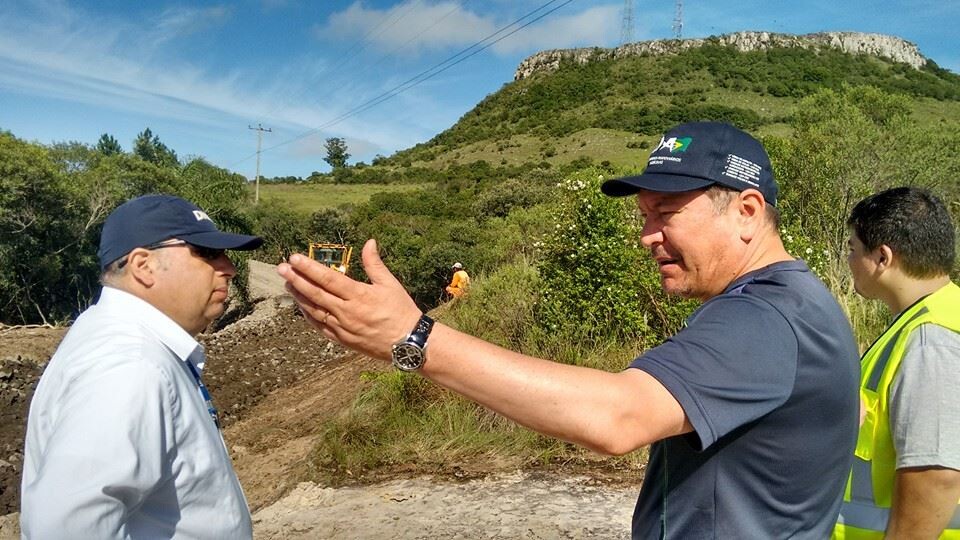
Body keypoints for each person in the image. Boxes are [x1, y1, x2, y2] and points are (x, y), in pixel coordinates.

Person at [278, 121, 860, 538]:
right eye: (644, 216)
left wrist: (415, 338)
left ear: (747, 212)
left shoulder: (767, 315)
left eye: (665, 212)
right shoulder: (796, 304)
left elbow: (616, 417)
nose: (647, 235)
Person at [21, 194, 262, 539]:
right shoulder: (129, 364)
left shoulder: (131, 345)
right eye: (207, 253)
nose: (229, 267)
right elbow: (67, 528)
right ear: (143, 266)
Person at [834, 187, 960, 539]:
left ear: (883, 258)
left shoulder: (930, 338)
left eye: (852, 249)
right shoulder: (926, 321)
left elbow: (936, 474)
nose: (849, 261)